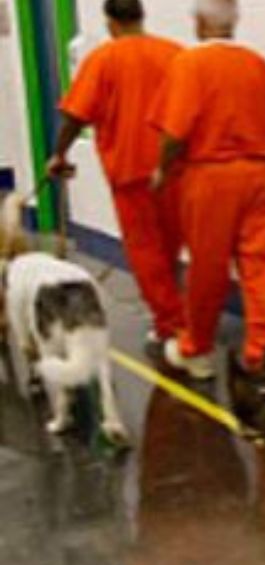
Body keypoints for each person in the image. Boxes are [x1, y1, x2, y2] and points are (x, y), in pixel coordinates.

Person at [150, 0, 265, 379]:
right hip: (261, 172)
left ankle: (195, 349)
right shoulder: (258, 64)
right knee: (264, 267)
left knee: (207, 269)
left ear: (200, 21)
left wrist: (162, 171)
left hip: (210, 177)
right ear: (235, 21)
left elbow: (175, 134)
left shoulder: (189, 65)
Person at [49, 0, 184, 347]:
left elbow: (75, 116)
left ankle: (175, 327)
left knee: (146, 254)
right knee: (169, 250)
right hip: (174, 170)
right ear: (142, 17)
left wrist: (59, 154)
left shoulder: (102, 60)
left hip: (130, 173)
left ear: (110, 23)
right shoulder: (176, 54)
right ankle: (174, 320)